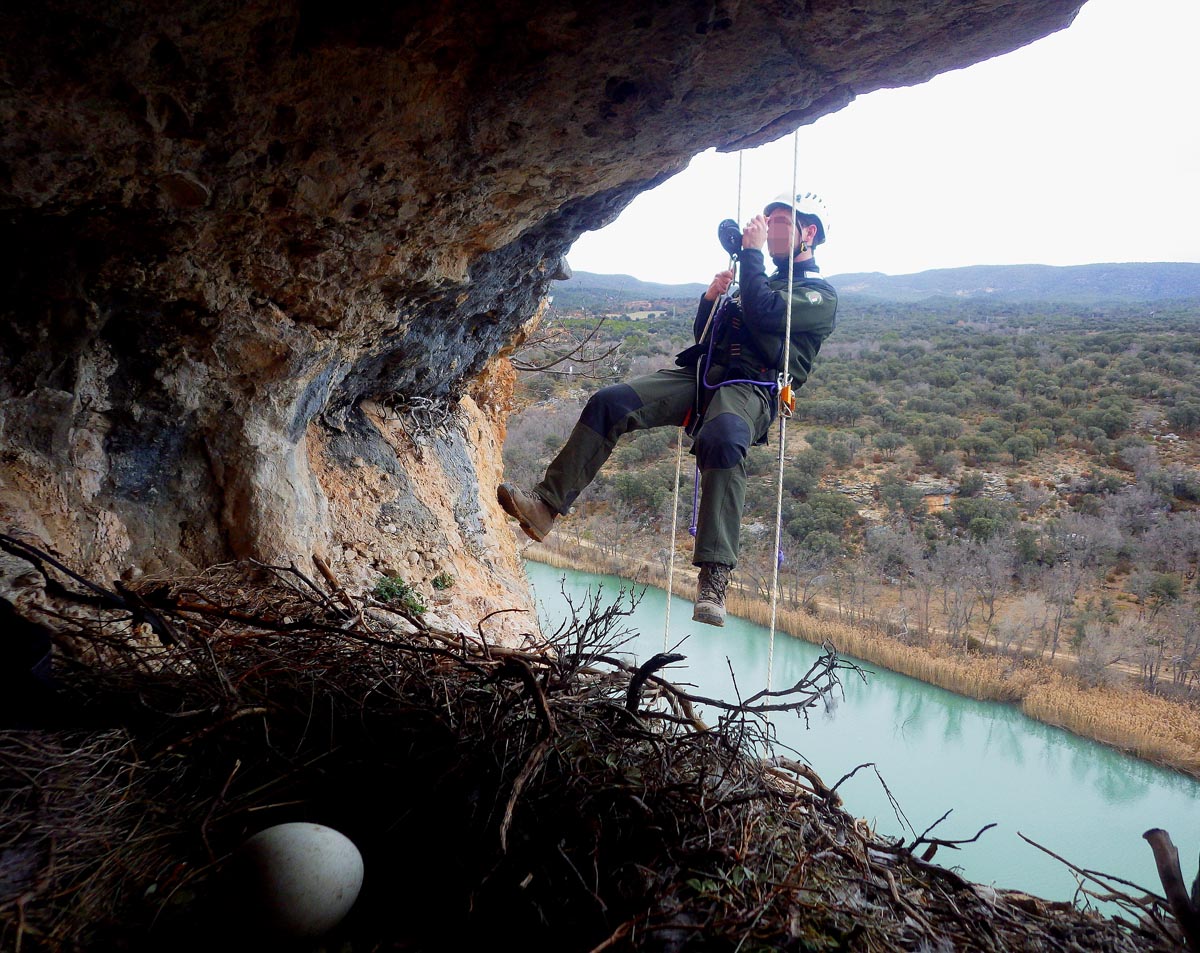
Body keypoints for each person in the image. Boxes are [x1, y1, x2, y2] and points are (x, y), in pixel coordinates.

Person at [499, 192, 838, 626]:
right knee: (611, 402)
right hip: (706, 374)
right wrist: (710, 300)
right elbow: (707, 336)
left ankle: (715, 577)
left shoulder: (818, 295)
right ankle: (545, 507)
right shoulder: (757, 281)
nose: (769, 229)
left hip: (752, 387)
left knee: (723, 438)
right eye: (768, 221)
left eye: (781, 222)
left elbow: (768, 314)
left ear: (808, 233)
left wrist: (750, 255)